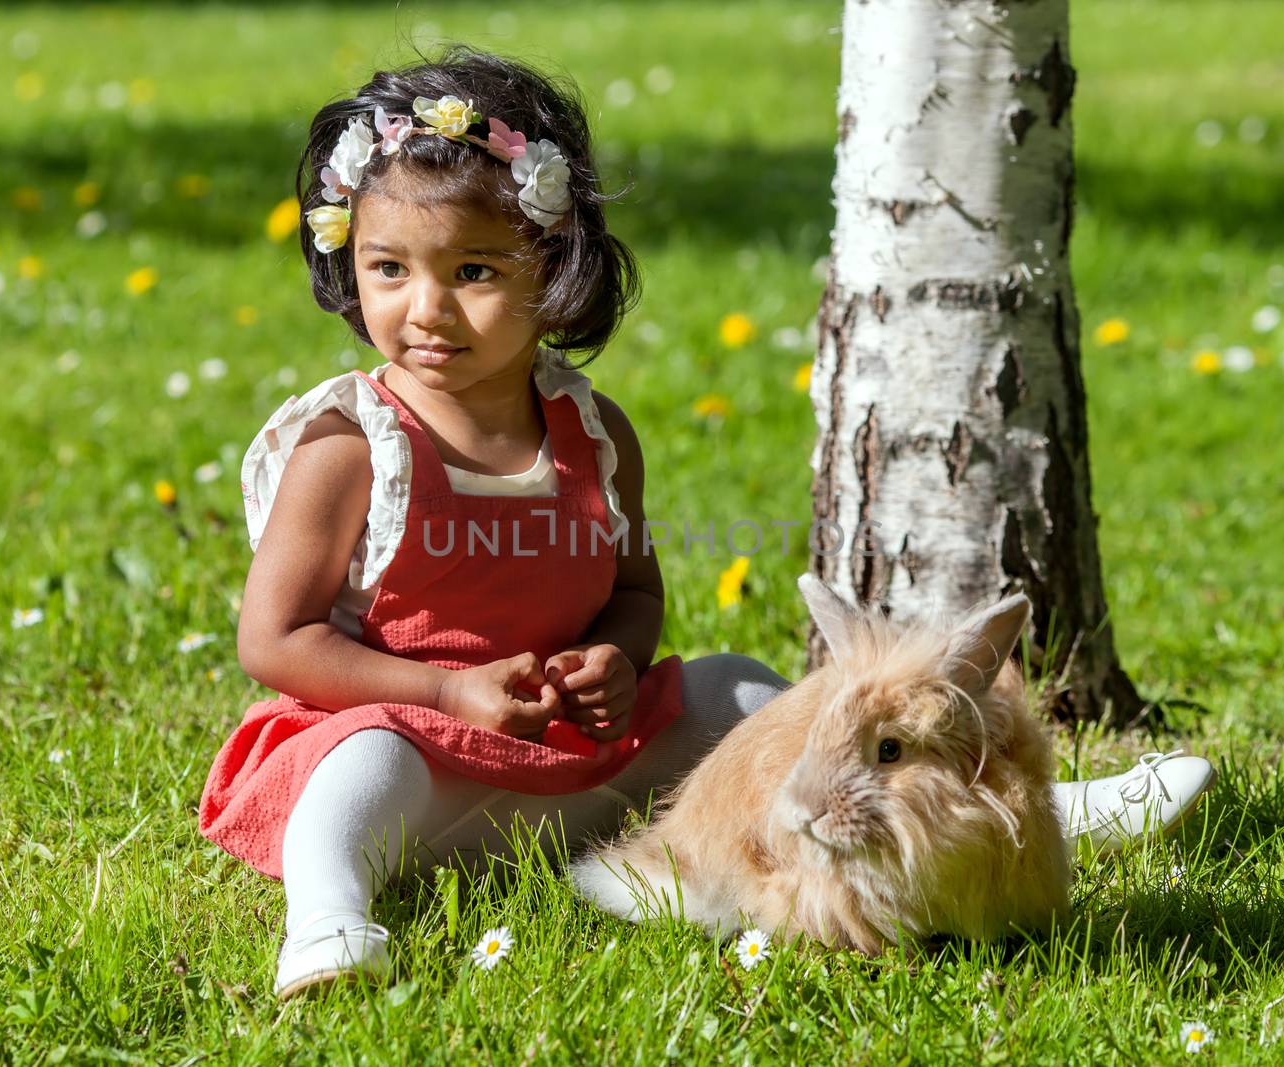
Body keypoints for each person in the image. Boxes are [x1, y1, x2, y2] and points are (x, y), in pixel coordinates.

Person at [197, 48, 1213, 1000]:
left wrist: (614, 657)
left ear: (554, 269)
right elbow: (275, 642)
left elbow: (635, 592)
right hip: (425, 779)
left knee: (733, 685)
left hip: (573, 760)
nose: (427, 308)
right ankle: (330, 916)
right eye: (389, 269)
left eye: (473, 272)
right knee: (355, 766)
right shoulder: (349, 447)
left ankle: (1019, 816)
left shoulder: (590, 435)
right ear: (350, 262)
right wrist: (441, 688)